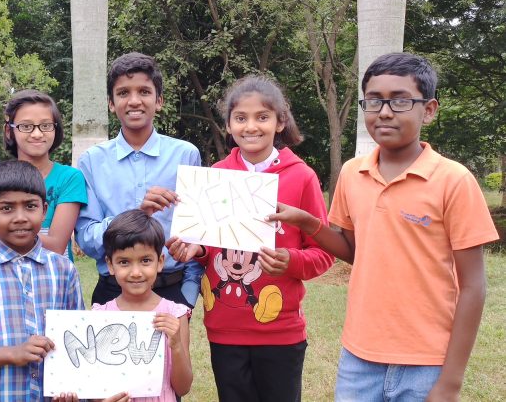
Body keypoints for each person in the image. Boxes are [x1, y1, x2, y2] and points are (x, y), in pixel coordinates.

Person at [268, 53, 499, 401]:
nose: (385, 112)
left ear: (430, 109)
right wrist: (309, 222)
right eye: (374, 101)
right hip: (359, 357)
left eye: (400, 100)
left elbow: (473, 287)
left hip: (427, 362)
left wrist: (450, 381)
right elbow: (354, 252)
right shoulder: (352, 173)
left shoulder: (454, 181)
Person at [170, 75, 333, 401]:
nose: (251, 126)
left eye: (262, 117)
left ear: (280, 121)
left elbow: (323, 253)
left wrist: (291, 260)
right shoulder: (216, 174)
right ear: (228, 125)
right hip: (225, 326)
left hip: (280, 329)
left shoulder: (302, 177)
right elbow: (209, 247)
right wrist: (196, 248)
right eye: (240, 118)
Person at [0, 160, 85, 401]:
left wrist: (71, 391)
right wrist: (13, 353)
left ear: (44, 209)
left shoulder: (64, 271)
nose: (20, 217)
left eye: (30, 206)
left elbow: (79, 341)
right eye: (7, 208)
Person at [75, 52, 203, 309]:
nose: (134, 101)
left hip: (172, 289)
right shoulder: (91, 161)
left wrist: (188, 294)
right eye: (123, 93)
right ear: (111, 103)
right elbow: (87, 240)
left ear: (159, 101)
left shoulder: (186, 154)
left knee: (176, 351)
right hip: (113, 291)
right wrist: (135, 214)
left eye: (144, 91)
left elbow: (197, 233)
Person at [96, 209, 193, 401]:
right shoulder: (101, 316)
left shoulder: (175, 314)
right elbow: (97, 384)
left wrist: (176, 346)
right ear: (110, 265)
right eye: (124, 262)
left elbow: (183, 388)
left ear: (160, 262)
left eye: (145, 261)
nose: (136, 272)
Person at [0, 89, 87, 259]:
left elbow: (56, 246)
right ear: (9, 131)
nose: (37, 133)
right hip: (5, 282)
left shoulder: (69, 178)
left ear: (56, 129)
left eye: (45, 125)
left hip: (55, 280)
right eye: (26, 126)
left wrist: (6, 233)